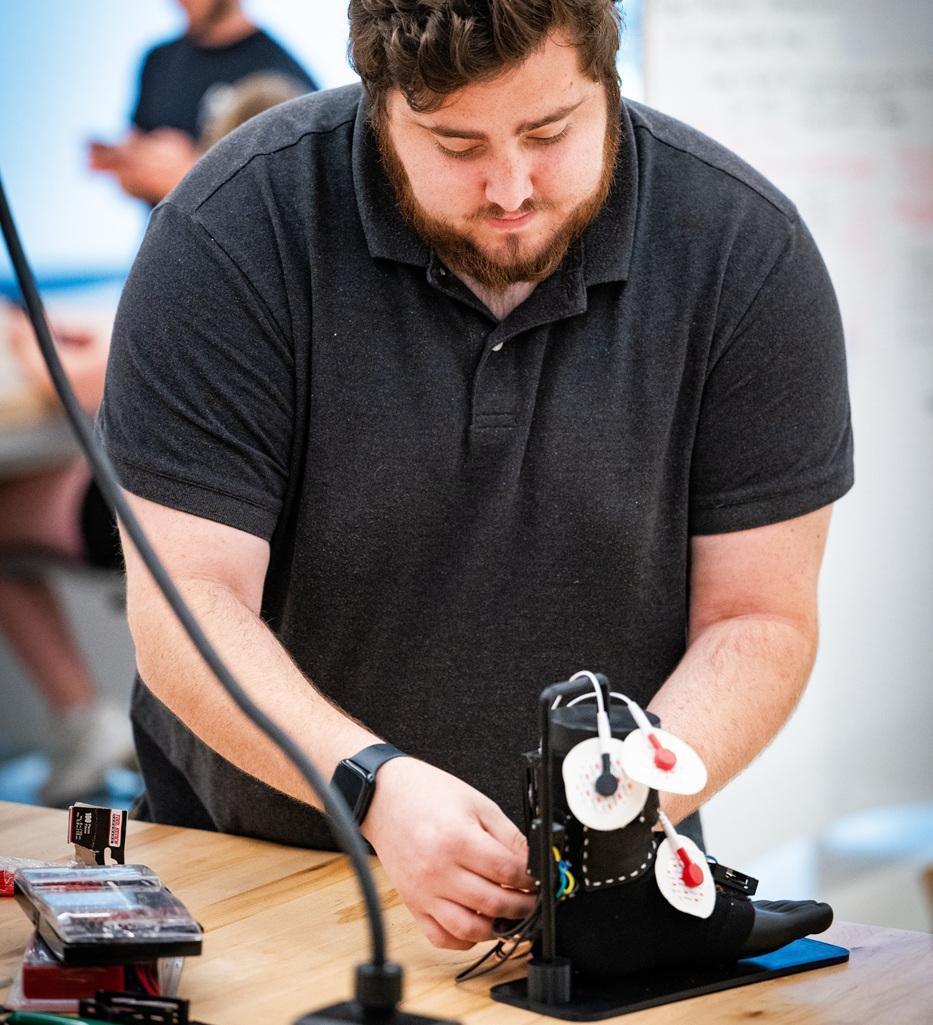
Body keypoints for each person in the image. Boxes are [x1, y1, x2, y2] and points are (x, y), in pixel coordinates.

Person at [98, 0, 854, 953]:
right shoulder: (232, 232)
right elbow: (185, 601)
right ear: (378, 101)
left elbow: (758, 619)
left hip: (598, 894)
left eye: (549, 132)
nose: (509, 187)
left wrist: (610, 810)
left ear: (609, 81)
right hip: (255, 873)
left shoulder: (743, 252)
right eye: (455, 144)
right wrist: (370, 784)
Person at [89, 0, 316, 204]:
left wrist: (193, 176)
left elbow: (292, 195)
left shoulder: (283, 78)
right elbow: (131, 163)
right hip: (165, 243)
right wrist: (129, 162)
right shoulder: (160, 60)